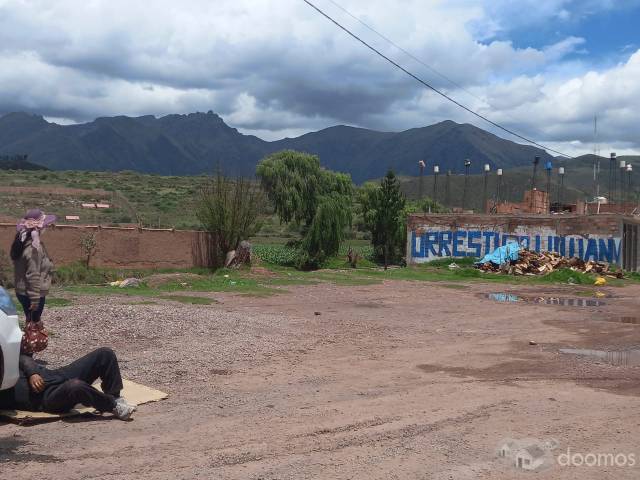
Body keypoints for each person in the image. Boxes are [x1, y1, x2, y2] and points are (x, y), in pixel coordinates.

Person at [0, 347, 136, 420]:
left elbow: (22, 358)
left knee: (105, 354)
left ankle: (115, 396)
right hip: (47, 398)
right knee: (75, 386)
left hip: (56, 375)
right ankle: (113, 405)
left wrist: (32, 373)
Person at [10, 209, 56, 326]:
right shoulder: (34, 247)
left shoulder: (21, 241)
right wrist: (35, 300)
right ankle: (29, 343)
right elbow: (33, 274)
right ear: (39, 227)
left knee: (30, 324)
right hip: (32, 294)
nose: (47, 227)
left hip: (22, 292)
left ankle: (27, 341)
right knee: (34, 327)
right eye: (45, 225)